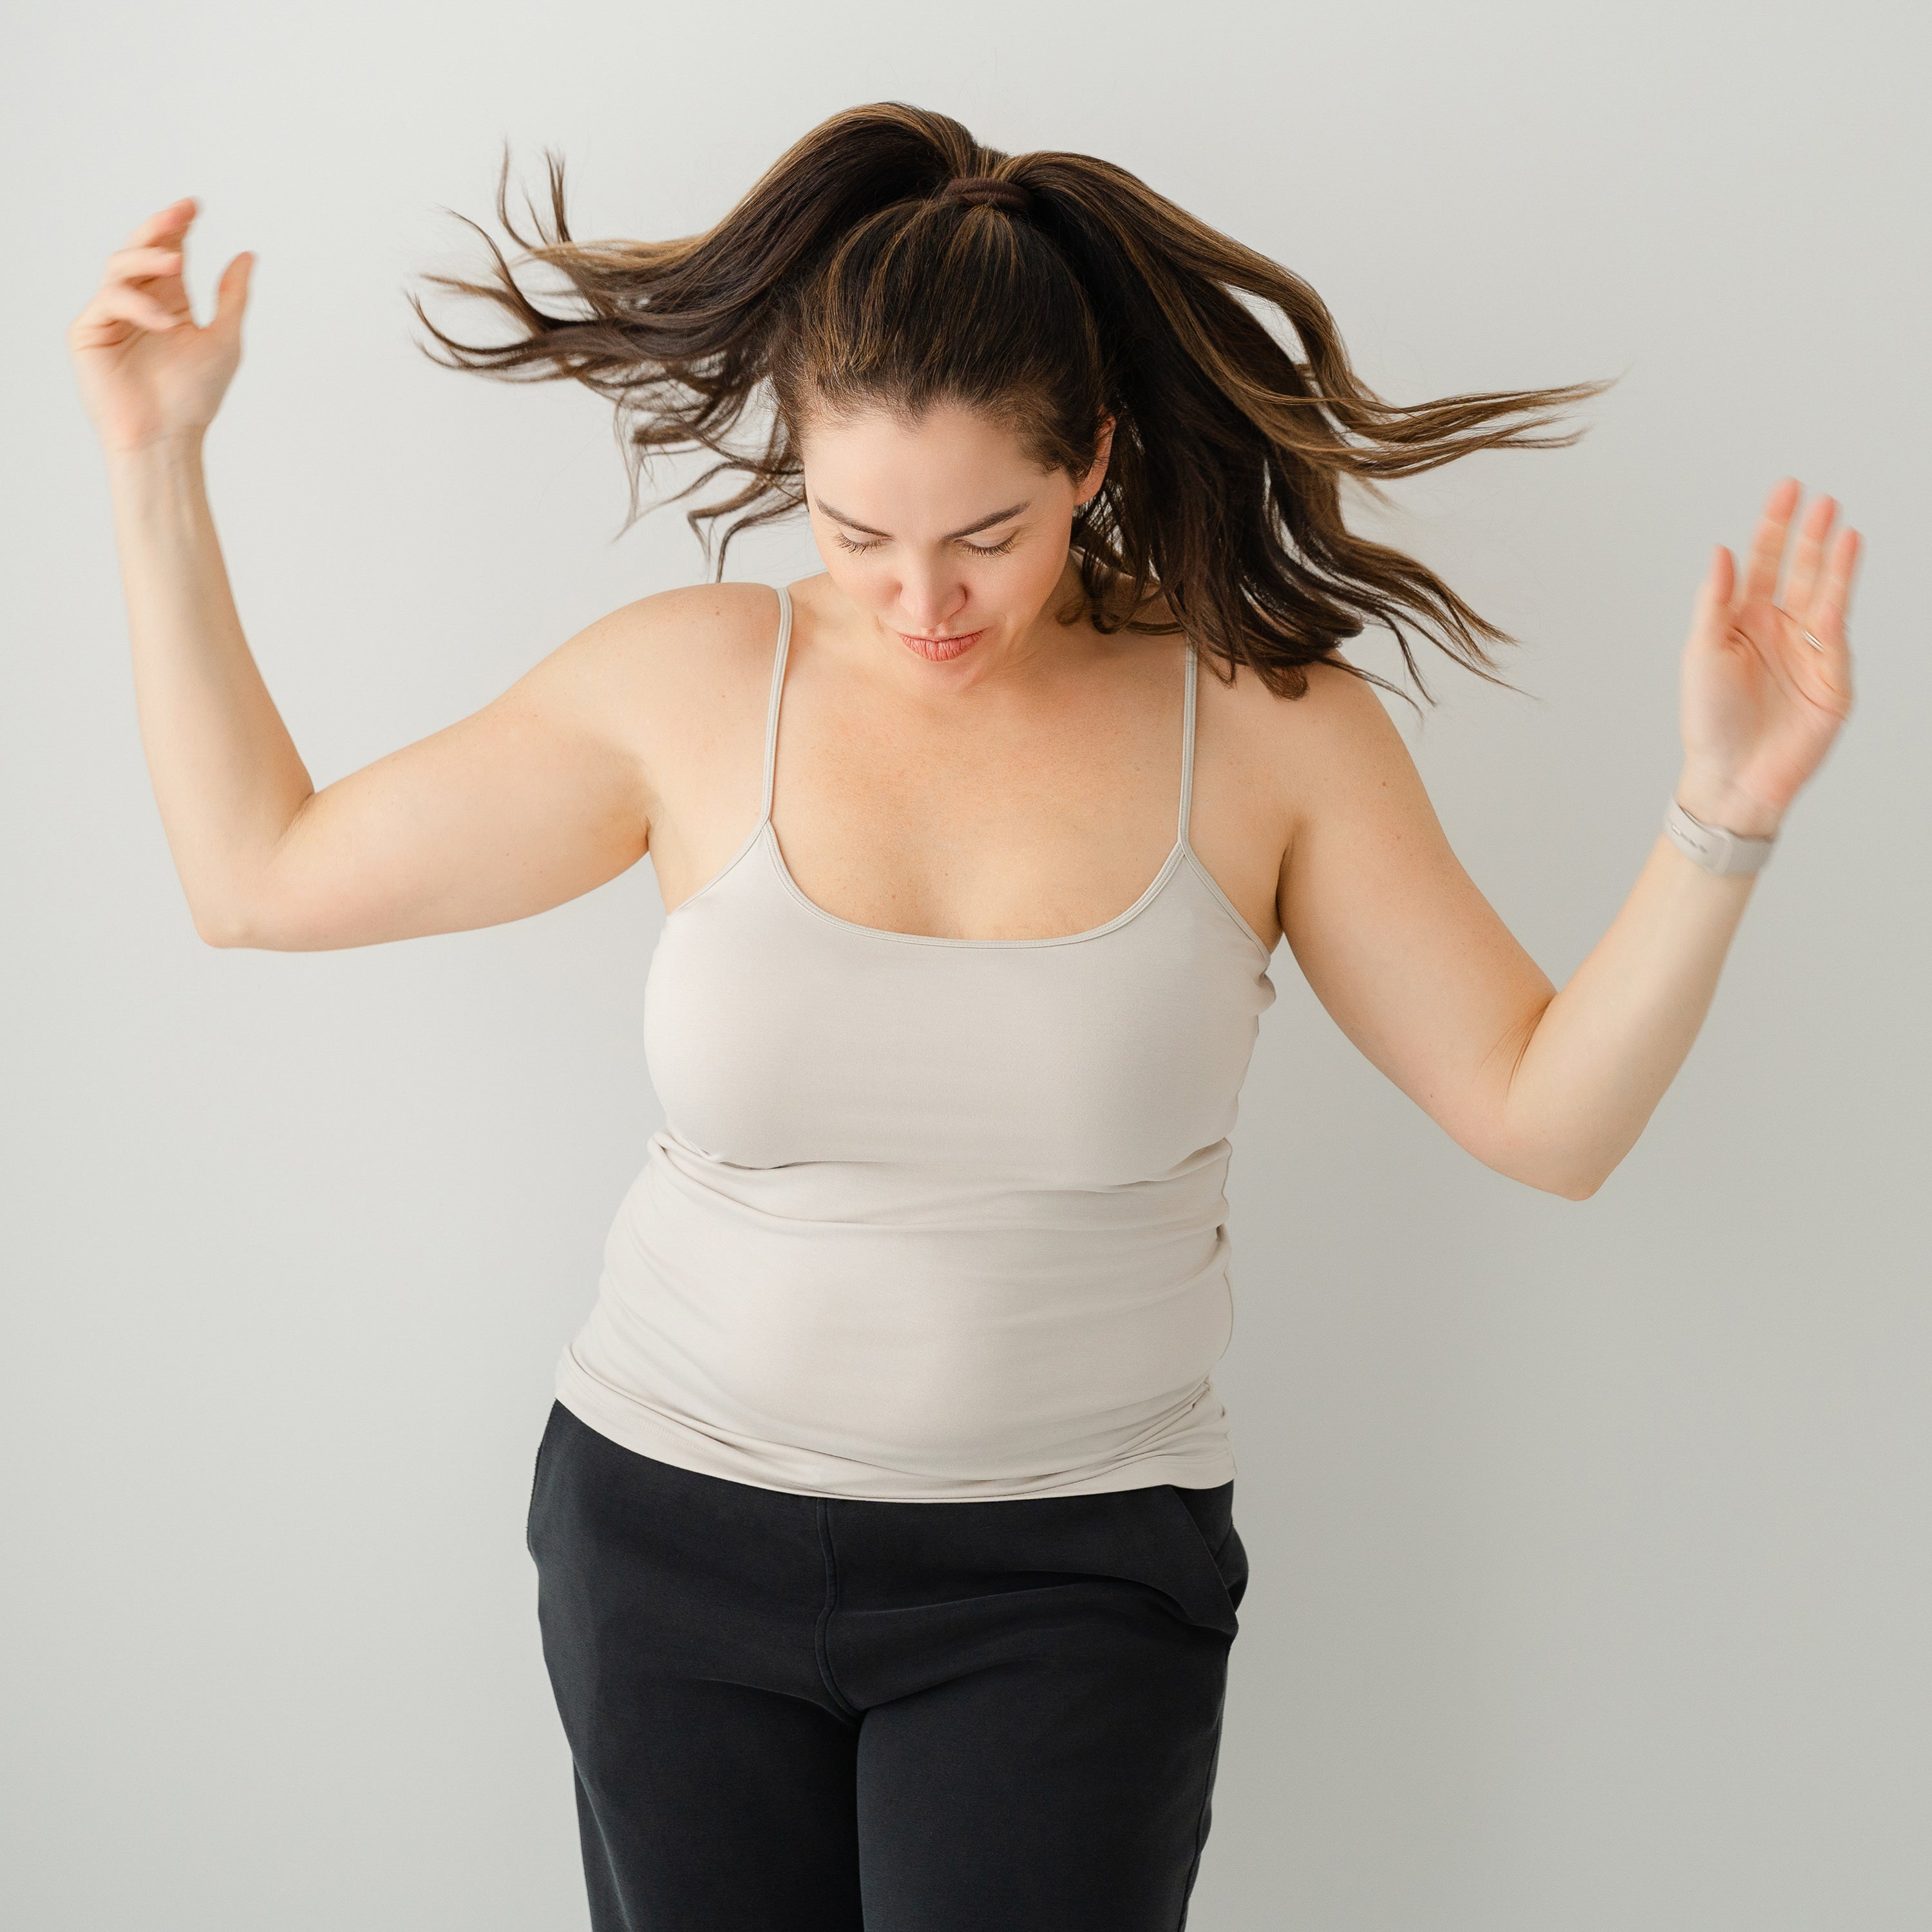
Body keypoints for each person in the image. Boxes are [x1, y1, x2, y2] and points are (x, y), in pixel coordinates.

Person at [68, 101, 1859, 1932]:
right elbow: (260, 878)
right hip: (662, 1533)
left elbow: (1546, 1121)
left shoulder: (1260, 732)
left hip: (1065, 1586)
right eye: (857, 535)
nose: (921, 603)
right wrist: (154, 465)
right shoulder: (687, 688)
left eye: (985, 539)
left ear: (1089, 459)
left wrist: (1723, 816)